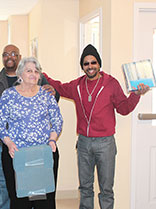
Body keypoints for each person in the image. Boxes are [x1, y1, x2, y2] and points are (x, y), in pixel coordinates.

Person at [43, 44, 150, 209]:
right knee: (85, 188)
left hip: (105, 144)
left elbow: (123, 108)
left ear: (99, 64)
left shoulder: (111, 83)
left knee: (106, 189)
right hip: (84, 143)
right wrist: (40, 74)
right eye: (86, 63)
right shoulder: (77, 85)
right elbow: (60, 87)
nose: (90, 66)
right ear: (82, 66)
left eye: (93, 62)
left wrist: (135, 95)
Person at [0, 44, 60, 209]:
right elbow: (0, 123)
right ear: (20, 74)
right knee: (20, 200)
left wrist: (52, 140)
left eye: (36, 71)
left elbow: (57, 120)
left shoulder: (46, 94)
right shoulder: (9, 95)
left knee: (43, 199)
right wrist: (9, 143)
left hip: (43, 153)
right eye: (29, 70)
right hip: (16, 155)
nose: (33, 74)